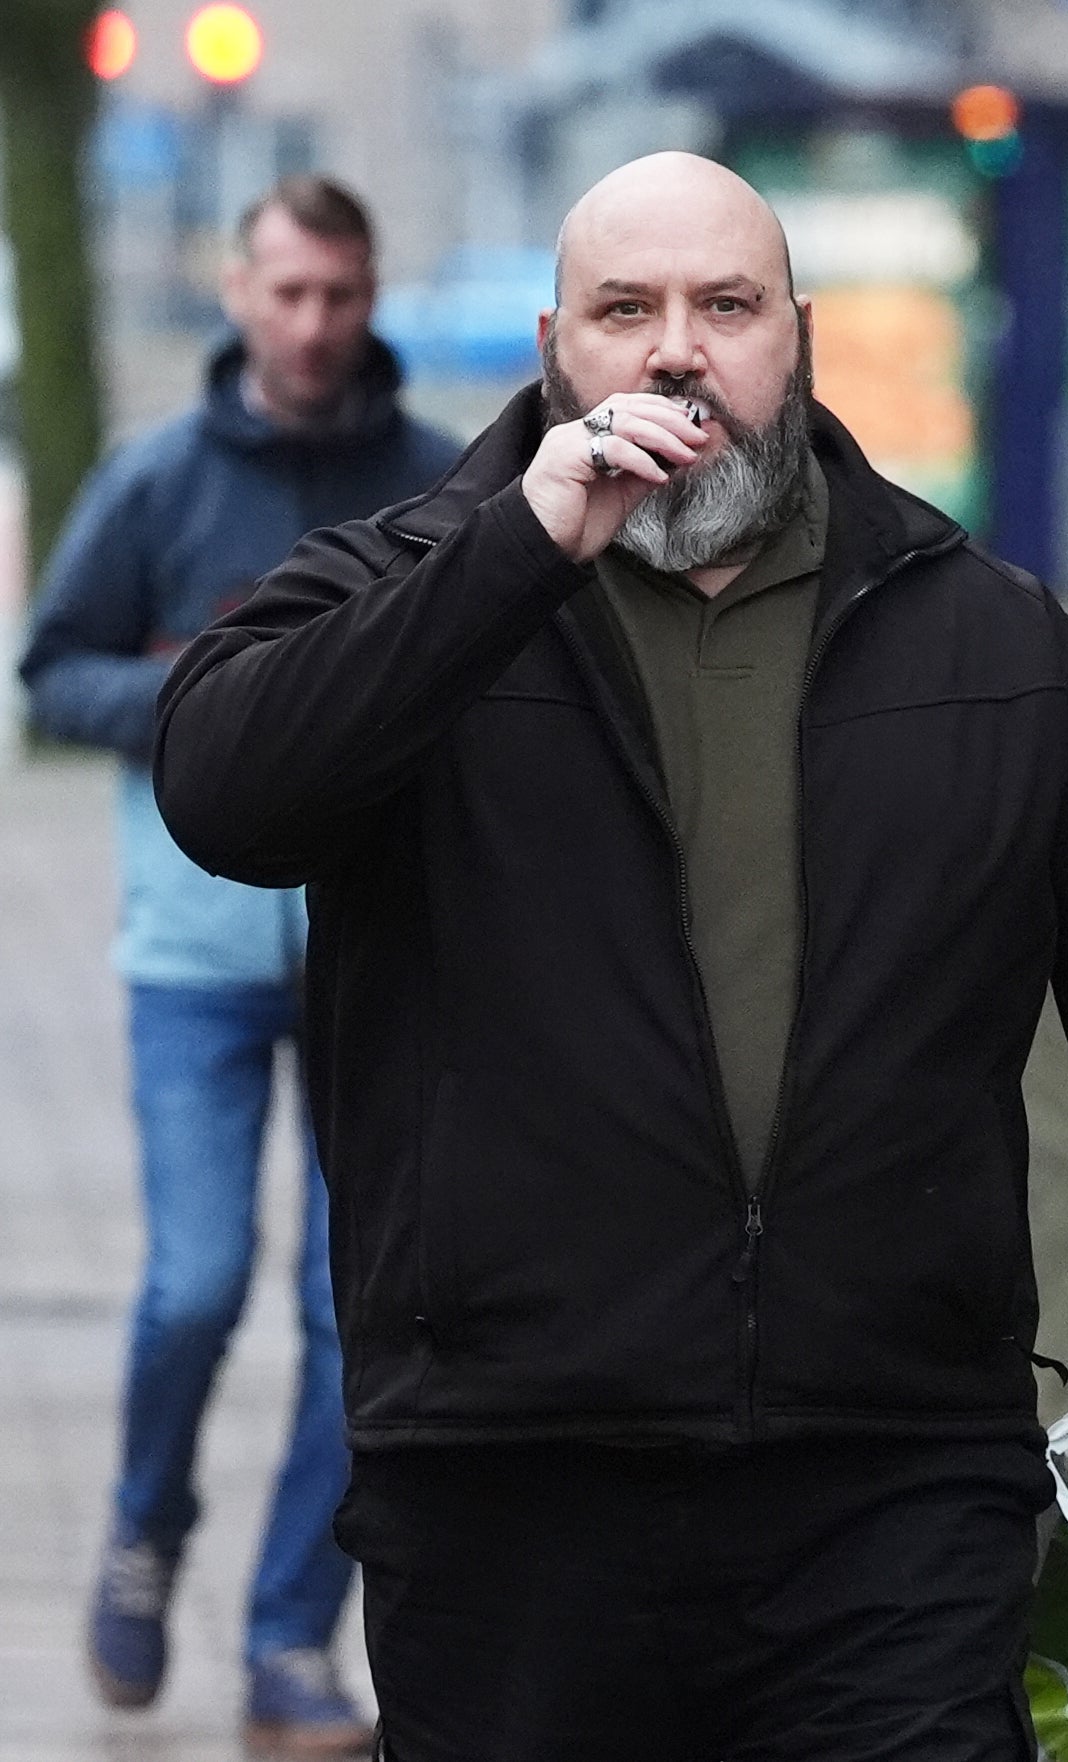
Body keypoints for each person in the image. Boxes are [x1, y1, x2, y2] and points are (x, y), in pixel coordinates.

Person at [151, 153, 1068, 1762]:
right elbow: (230, 793)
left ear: (794, 337)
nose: (676, 349)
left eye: (724, 306)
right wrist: (519, 552)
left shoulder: (983, 638)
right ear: (552, 345)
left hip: (894, 1478)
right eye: (625, 310)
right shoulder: (407, 590)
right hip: (515, 1482)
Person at [19, 176, 458, 1755]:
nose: (315, 325)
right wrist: (213, 711)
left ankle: (286, 1641)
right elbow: (47, 673)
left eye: (340, 295)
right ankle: (142, 1531)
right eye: (288, 293)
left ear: (370, 290)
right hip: (194, 959)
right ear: (236, 288)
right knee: (194, 1282)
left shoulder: (434, 481)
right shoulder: (154, 484)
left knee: (362, 1320)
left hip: (379, 963)